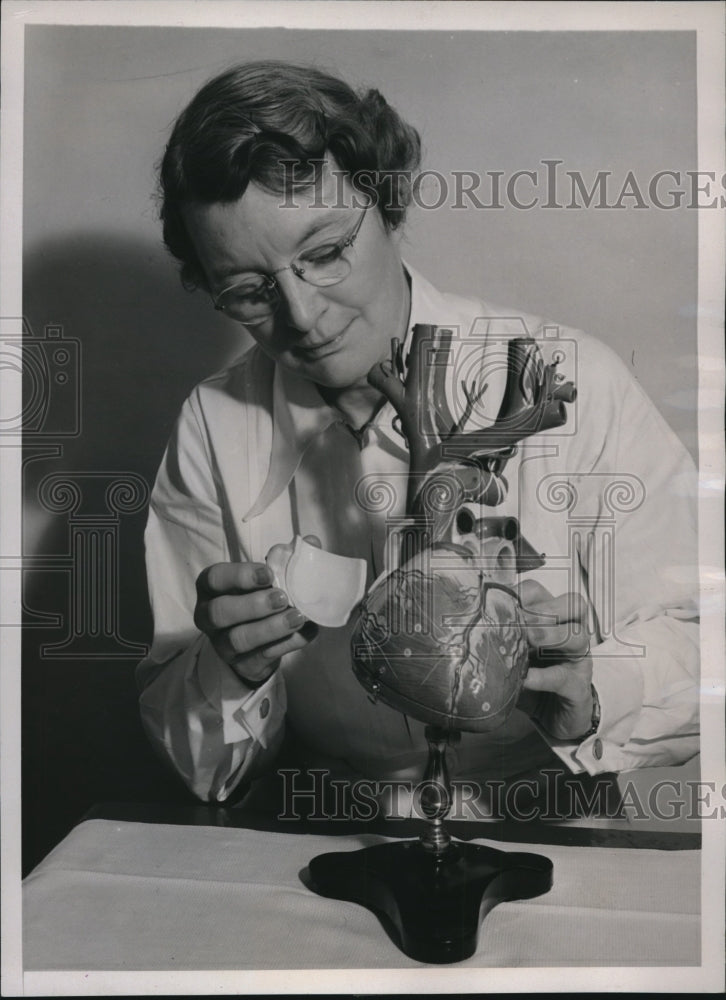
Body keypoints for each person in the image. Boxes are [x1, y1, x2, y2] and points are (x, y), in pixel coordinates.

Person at [136, 61, 699, 816]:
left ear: (387, 202)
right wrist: (227, 672)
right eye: (248, 290)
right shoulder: (213, 425)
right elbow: (199, 767)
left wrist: (594, 695)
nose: (302, 316)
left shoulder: (571, 379)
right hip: (327, 831)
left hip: (550, 827)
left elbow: (704, 641)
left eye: (327, 252)